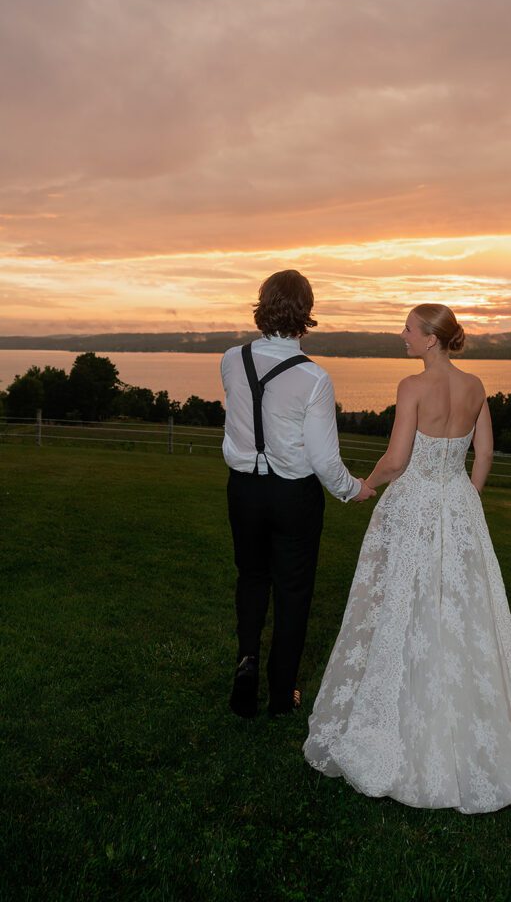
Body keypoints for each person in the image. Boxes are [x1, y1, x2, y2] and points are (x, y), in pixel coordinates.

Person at [303, 303, 511, 811]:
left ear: (432, 339)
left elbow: (397, 459)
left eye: (409, 330)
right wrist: (466, 497)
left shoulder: (411, 387)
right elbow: (483, 453)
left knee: (398, 604)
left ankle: (400, 718)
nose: (402, 336)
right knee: (458, 610)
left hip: (414, 504)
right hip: (458, 503)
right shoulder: (476, 385)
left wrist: (360, 487)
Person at [221, 270, 375, 719]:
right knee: (293, 590)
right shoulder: (314, 379)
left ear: (262, 304)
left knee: (251, 577)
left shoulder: (231, 359)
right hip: (294, 496)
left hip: (243, 489)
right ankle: (281, 692)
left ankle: (246, 662)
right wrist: (354, 490)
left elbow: (239, 417)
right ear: (306, 312)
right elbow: (325, 460)